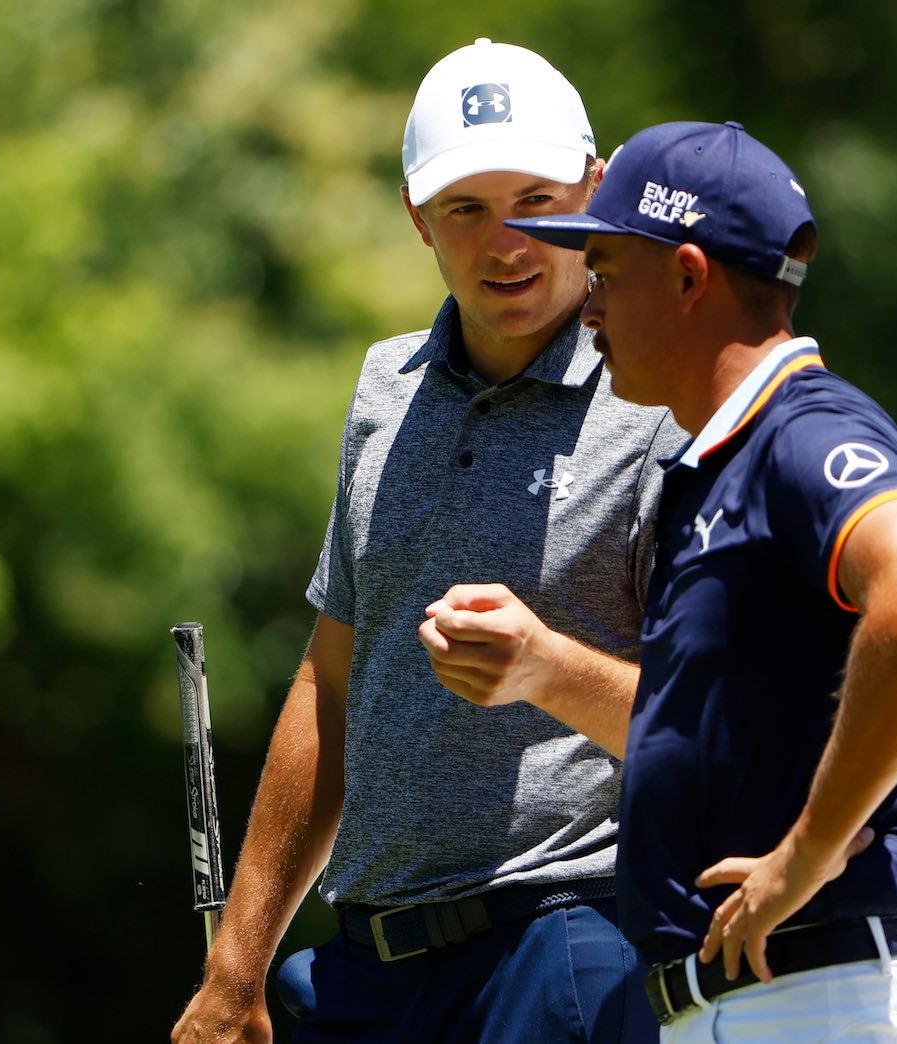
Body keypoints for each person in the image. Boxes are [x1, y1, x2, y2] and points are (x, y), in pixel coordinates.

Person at [170, 40, 682, 1044]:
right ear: (416, 217)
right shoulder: (385, 391)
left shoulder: (661, 401)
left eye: (537, 200)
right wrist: (236, 969)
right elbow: (331, 680)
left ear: (594, 188)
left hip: (564, 942)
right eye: (466, 209)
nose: (507, 243)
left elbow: (716, 722)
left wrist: (545, 668)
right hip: (368, 968)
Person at [508, 121, 897, 1041]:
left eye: (605, 272)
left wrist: (806, 853)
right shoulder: (716, 464)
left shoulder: (805, 429)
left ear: (689, 277)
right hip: (749, 1005)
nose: (588, 308)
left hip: (821, 1001)